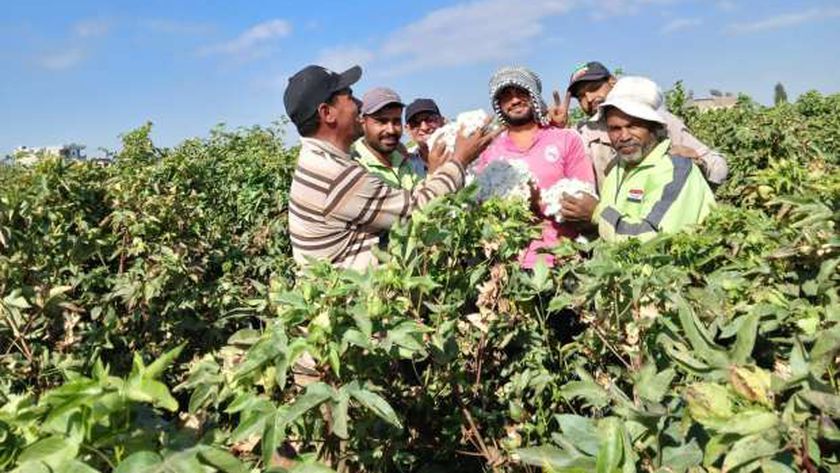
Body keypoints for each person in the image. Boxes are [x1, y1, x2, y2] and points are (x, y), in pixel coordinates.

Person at [283, 64, 497, 270]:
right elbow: (417, 209)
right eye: (349, 96)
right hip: (349, 300)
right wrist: (459, 160)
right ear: (327, 113)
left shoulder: (318, 160)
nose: (358, 104)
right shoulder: (334, 174)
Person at [559, 76, 716, 242]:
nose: (624, 136)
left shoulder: (675, 170)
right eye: (615, 128)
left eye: (633, 126)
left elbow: (654, 238)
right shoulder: (617, 169)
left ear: (654, 127)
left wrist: (596, 212)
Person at [475, 66, 595, 268]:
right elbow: (481, 208)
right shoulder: (491, 151)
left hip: (562, 260)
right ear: (498, 105)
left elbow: (585, 201)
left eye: (521, 92)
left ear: (534, 95)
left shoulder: (565, 138)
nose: (514, 100)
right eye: (506, 96)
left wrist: (537, 201)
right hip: (510, 265)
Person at [551, 61, 728, 191]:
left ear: (612, 82)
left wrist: (699, 162)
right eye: (581, 96)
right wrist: (557, 132)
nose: (589, 99)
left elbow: (717, 164)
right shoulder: (583, 133)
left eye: (595, 88)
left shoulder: (662, 121)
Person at [350, 87, 421, 190]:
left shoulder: (404, 160)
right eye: (382, 121)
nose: (391, 130)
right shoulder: (353, 163)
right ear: (363, 122)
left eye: (396, 121)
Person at [404, 98, 446, 179]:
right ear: (407, 129)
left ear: (442, 121)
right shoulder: (405, 164)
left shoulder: (460, 154)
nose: (424, 127)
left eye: (431, 120)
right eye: (415, 123)